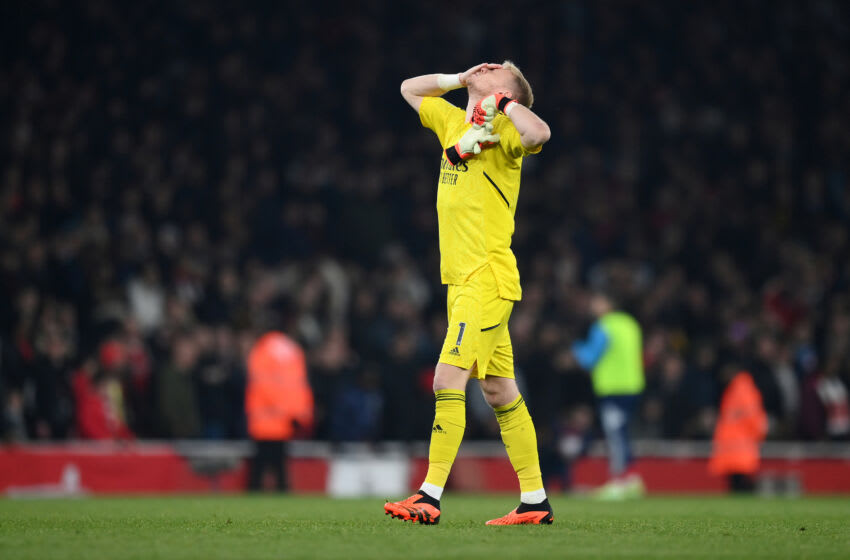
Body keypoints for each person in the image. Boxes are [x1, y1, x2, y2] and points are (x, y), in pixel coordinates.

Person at [385, 61, 552, 525]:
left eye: (498, 70)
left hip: (486, 279)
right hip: (461, 282)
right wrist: (460, 81)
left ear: (508, 90)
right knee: (499, 391)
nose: (488, 65)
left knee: (446, 380)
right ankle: (535, 501)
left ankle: (428, 496)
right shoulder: (454, 120)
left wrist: (504, 103)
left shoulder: (505, 126)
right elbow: (407, 87)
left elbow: (540, 134)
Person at [570, 291, 645, 500]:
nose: (594, 306)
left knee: (616, 435)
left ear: (607, 304)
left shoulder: (603, 326)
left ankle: (620, 480)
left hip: (613, 389)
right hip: (633, 386)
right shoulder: (630, 324)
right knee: (623, 432)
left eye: (597, 302)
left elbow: (588, 359)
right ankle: (632, 481)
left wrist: (575, 347)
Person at [245, 331, 313, 491]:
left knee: (259, 468)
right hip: (282, 422)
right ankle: (282, 492)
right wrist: (300, 415)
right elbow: (297, 387)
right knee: (279, 466)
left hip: (262, 421)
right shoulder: (293, 352)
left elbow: (260, 383)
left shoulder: (261, 350)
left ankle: (253, 496)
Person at [709, 368, 768, 492]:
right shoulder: (735, 391)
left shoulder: (742, 391)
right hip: (735, 447)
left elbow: (753, 418)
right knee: (736, 482)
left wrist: (757, 436)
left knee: (740, 482)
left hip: (739, 447)